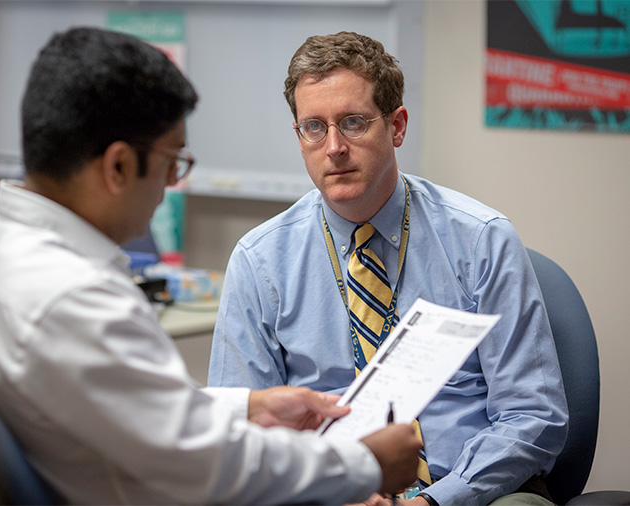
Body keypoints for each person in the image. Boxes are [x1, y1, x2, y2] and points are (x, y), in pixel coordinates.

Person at [0, 27, 423, 505]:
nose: (168, 186)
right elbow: (210, 468)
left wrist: (249, 406)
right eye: (172, 164)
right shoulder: (75, 298)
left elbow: (137, 409)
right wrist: (365, 464)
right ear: (118, 167)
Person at [208, 31, 569, 506]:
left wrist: (434, 502)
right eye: (313, 127)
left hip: (468, 492)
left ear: (396, 126)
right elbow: (238, 435)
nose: (333, 146)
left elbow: (532, 415)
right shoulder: (260, 262)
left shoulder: (480, 238)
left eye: (353, 122)